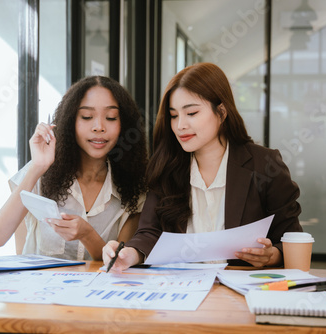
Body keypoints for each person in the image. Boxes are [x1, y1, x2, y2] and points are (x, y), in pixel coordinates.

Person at [103, 62, 303, 271]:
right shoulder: (166, 167)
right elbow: (149, 233)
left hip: (241, 292)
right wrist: (130, 254)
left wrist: (271, 256)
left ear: (222, 112)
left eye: (191, 113)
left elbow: (291, 238)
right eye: (174, 115)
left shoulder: (264, 165)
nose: (180, 125)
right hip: (182, 290)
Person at [0, 76, 148, 261]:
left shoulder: (134, 188)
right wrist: (38, 166)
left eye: (110, 118)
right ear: (71, 121)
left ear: (123, 125)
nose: (99, 127)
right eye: (87, 117)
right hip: (39, 288)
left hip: (98, 289)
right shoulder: (41, 172)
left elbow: (118, 263)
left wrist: (87, 234)